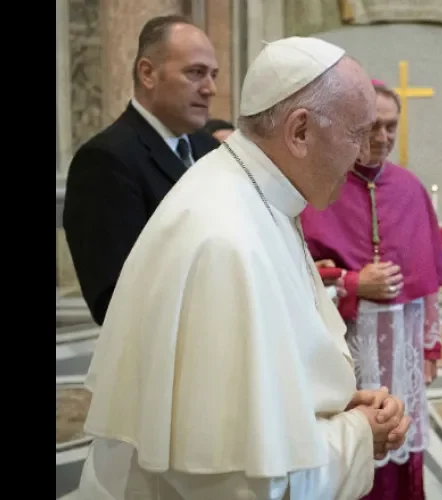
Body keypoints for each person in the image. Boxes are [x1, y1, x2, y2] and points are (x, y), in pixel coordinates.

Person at [75, 36, 411, 500]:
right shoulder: (225, 239)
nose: (361, 156)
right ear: (299, 131)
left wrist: (327, 406)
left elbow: (263, 382)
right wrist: (357, 433)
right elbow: (239, 483)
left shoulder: (254, 194)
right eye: (356, 133)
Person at [300, 79, 442, 500]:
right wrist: (353, 283)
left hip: (402, 345)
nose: (382, 137)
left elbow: (428, 283)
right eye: (372, 127)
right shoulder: (321, 188)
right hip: (345, 351)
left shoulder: (410, 188)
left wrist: (429, 350)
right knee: (354, 445)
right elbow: (299, 276)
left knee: (402, 441)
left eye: (391, 126)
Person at [63, 15, 221, 326]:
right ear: (148, 73)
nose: (210, 89)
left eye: (213, 74)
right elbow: (113, 298)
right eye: (196, 73)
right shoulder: (105, 160)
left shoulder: (211, 150)